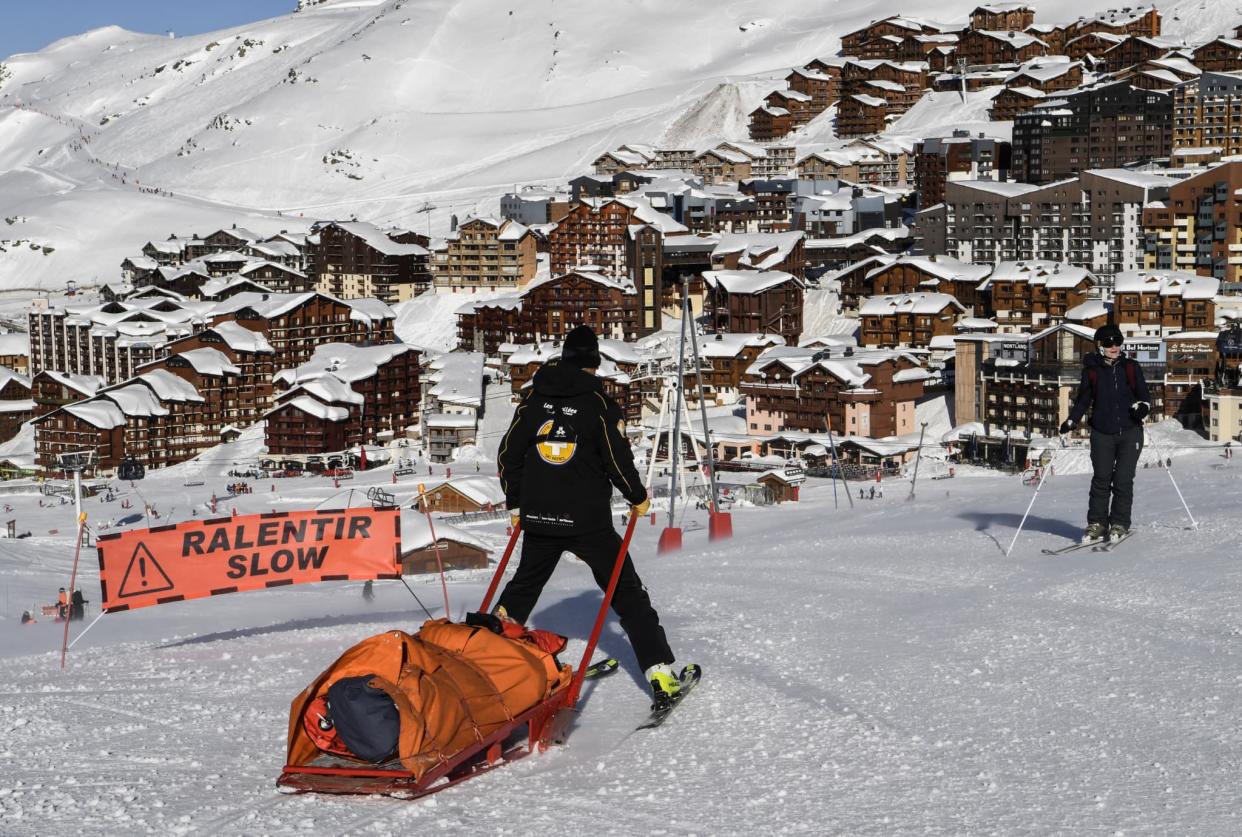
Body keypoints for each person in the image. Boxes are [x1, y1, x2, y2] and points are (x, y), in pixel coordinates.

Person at [497, 325, 681, 703]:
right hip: (587, 521)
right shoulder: (598, 406)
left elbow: (507, 457)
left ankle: (490, 665)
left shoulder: (532, 401)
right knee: (625, 591)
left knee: (522, 590)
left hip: (540, 518)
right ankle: (659, 672)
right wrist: (637, 496)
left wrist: (515, 503)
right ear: (594, 364)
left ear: (564, 358)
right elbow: (616, 459)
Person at [1060, 323, 1152, 543]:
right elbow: (1084, 400)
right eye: (1109, 342)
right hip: (1102, 432)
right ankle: (1097, 524)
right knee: (1101, 479)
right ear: (1100, 345)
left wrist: (1143, 408)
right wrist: (1072, 420)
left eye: (1118, 341)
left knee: (1122, 480)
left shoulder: (1131, 367)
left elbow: (1145, 396)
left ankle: (1119, 523)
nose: (1114, 346)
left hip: (1130, 432)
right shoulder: (1091, 371)